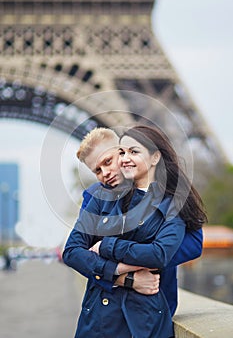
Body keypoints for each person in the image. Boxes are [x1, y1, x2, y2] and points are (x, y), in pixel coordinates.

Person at [63, 125, 207, 337]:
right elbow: (77, 254)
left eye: (108, 161)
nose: (106, 173)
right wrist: (123, 276)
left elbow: (191, 246)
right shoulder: (96, 196)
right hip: (106, 312)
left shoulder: (168, 199)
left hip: (152, 304)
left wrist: (126, 255)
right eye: (97, 171)